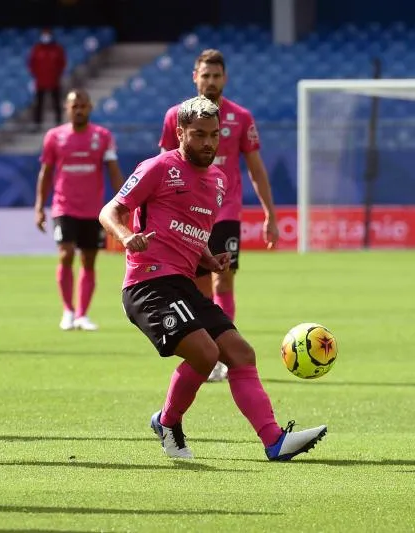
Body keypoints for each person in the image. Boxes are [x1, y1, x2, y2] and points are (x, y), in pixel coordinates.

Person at [99, 96, 326, 462]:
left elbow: (190, 230)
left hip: (183, 284)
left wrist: (208, 257)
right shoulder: (158, 167)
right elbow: (109, 210)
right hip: (148, 284)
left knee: (240, 353)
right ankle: (169, 424)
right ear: (180, 133)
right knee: (206, 354)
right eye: (199, 135)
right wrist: (126, 237)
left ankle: (274, 441)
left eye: (213, 135)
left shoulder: (218, 181)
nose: (208, 143)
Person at [159, 49, 279, 382]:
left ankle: (225, 354)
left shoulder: (241, 117)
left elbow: (255, 169)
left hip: (225, 211)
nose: (211, 81)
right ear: (194, 77)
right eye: (205, 75)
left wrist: (270, 213)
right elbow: (163, 167)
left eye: (216, 76)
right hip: (188, 216)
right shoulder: (176, 116)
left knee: (223, 277)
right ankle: (208, 351)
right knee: (197, 288)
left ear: (224, 78)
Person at [34, 89, 124, 330]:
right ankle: (68, 311)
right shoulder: (54, 136)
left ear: (90, 108)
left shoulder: (103, 136)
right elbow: (46, 173)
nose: (79, 110)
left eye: (83, 105)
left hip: (94, 209)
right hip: (64, 206)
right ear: (67, 108)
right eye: (75, 106)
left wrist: (123, 203)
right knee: (66, 253)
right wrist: (39, 206)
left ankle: (82, 315)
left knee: (89, 259)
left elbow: (113, 170)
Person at [28, 28, 66, 129]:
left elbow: (62, 63)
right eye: (44, 34)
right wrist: (37, 75)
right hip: (40, 82)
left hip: (54, 81)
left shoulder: (57, 49)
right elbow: (31, 64)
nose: (46, 37)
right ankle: (37, 124)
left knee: (56, 103)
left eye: (47, 34)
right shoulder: (36, 49)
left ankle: (58, 122)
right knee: (39, 104)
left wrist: (57, 75)